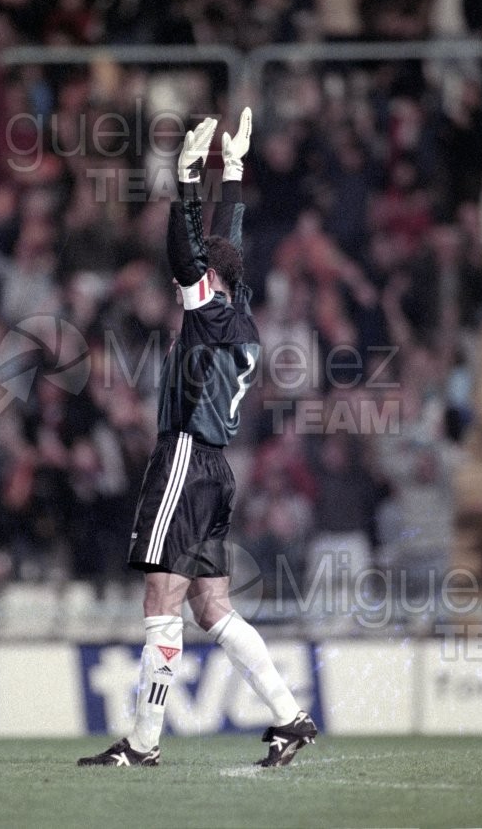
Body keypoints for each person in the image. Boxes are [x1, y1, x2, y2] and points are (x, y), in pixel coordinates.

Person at [77, 108, 317, 768]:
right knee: (211, 607)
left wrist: (186, 176)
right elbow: (223, 239)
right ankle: (289, 716)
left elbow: (184, 248)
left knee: (163, 597)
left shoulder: (208, 307)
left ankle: (143, 742)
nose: (190, 275)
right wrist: (231, 172)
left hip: (184, 455)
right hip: (217, 468)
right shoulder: (237, 309)